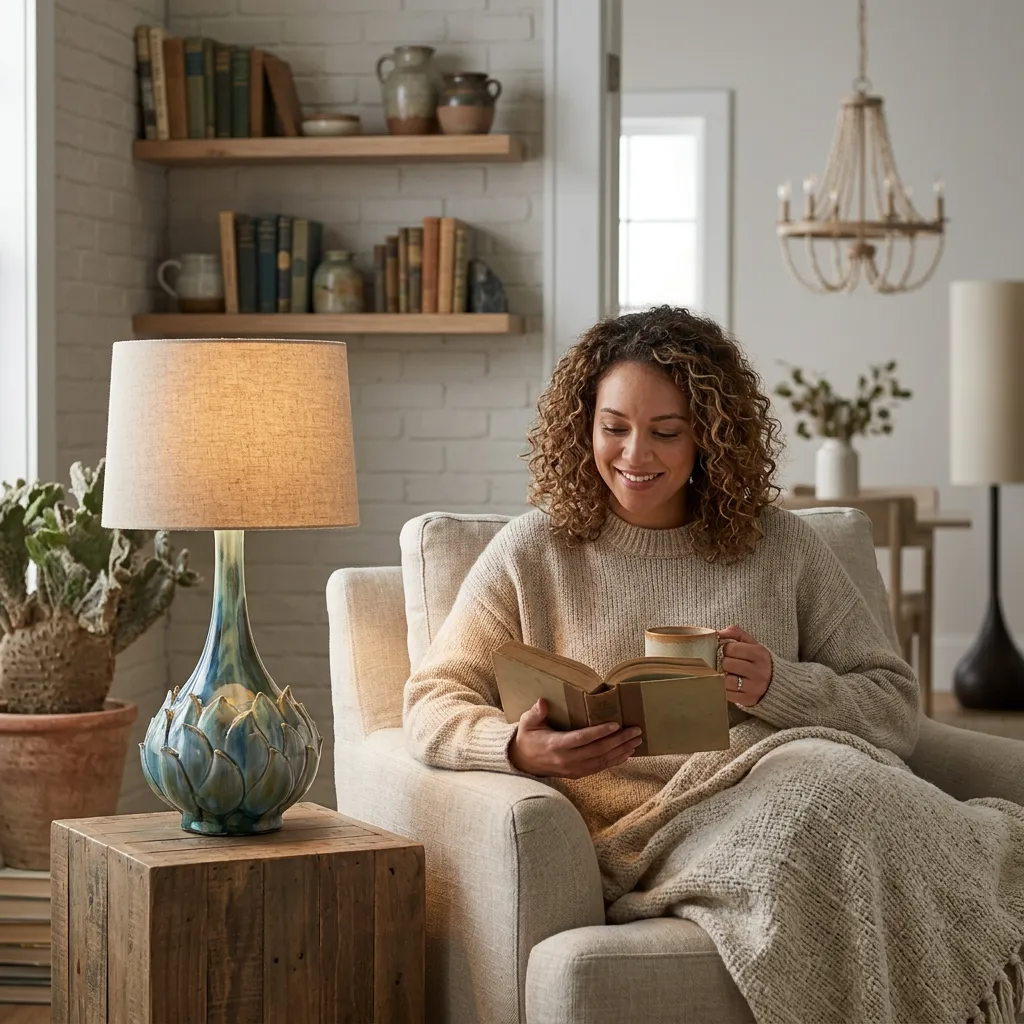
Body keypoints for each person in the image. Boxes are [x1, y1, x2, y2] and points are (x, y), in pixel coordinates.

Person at [403, 305, 1024, 1023]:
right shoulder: (531, 552)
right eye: (615, 427)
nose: (636, 454)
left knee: (839, 790)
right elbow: (428, 704)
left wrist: (779, 686)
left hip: (803, 773)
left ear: (712, 434)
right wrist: (516, 746)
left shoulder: (780, 546)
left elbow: (891, 706)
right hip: (656, 832)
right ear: (584, 425)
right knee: (825, 808)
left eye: (666, 432)